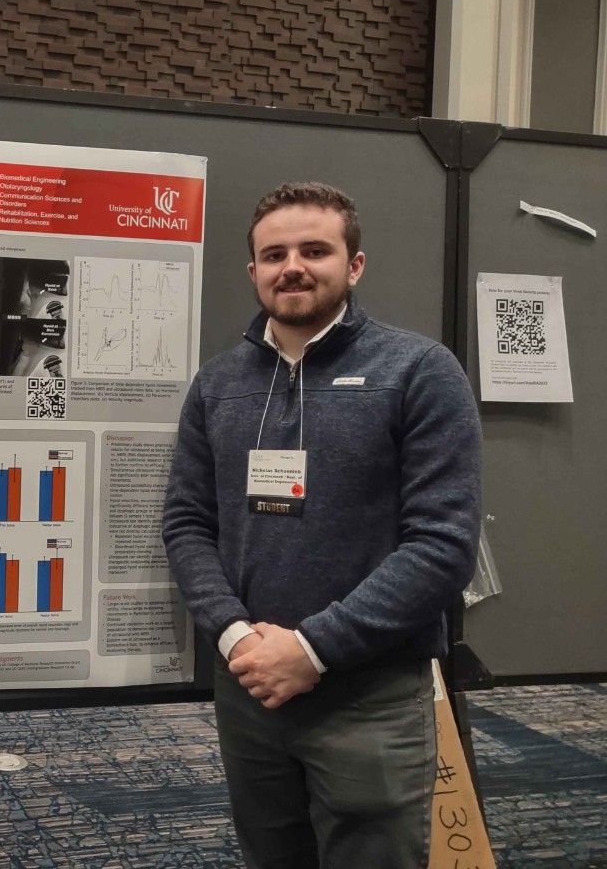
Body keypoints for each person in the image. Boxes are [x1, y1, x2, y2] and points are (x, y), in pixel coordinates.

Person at [162, 182, 481, 869]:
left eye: (315, 250)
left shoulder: (420, 372)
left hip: (367, 693)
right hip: (250, 687)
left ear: (354, 264)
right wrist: (238, 635)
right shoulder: (218, 385)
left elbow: (443, 547)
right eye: (273, 254)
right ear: (253, 272)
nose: (293, 267)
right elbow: (188, 523)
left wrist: (310, 650)